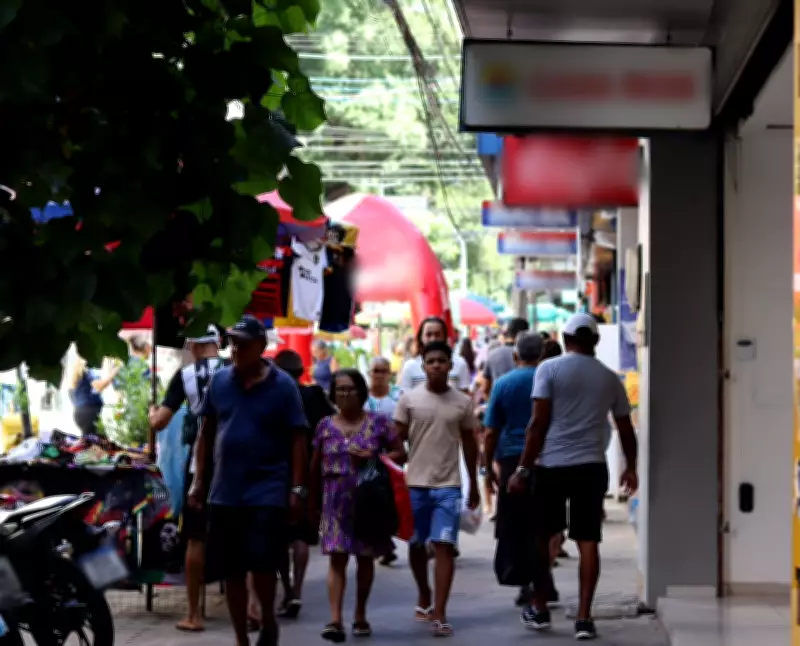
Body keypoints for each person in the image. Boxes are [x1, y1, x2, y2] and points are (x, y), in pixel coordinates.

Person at [508, 313, 639, 641]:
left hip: (551, 466)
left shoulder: (548, 369)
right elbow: (625, 429)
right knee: (588, 541)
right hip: (591, 467)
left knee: (542, 536)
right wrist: (631, 468)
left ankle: (539, 606)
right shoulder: (610, 379)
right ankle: (584, 617)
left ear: (565, 339)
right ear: (594, 341)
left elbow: (537, 425)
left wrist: (522, 469)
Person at [188, 315, 309, 646]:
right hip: (225, 490)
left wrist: (298, 489)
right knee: (232, 570)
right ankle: (242, 638)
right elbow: (206, 432)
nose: (236, 349)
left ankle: (267, 618)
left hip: (268, 489)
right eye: (233, 343)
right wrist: (198, 481)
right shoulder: (220, 382)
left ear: (261, 347)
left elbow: (298, 438)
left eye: (243, 344)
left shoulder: (283, 386)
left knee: (263, 563)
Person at [309, 369, 406, 643]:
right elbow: (314, 466)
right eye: (340, 390)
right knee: (337, 558)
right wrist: (310, 503)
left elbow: (401, 453)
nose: (345, 394)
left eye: (350, 389)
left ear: (362, 392)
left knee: (365, 557)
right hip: (334, 500)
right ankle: (335, 619)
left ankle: (361, 613)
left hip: (368, 501)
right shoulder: (325, 426)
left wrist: (375, 456)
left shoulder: (380, 423)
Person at [394, 341, 480, 638]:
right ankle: (423, 595)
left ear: (450, 365)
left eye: (441, 361)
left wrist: (475, 485)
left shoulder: (463, 402)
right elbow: (396, 441)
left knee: (444, 547)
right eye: (430, 361)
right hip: (415, 484)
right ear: (423, 365)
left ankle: (440, 612)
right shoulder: (409, 400)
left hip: (448, 486)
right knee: (417, 545)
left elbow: (471, 446)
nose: (436, 366)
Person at [148, 325, 224, 633]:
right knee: (240, 533)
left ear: (192, 344)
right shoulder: (237, 369)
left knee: (195, 537)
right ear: (219, 344)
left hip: (201, 465)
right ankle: (253, 609)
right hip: (238, 461)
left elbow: (161, 421)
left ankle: (194, 614)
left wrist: (152, 413)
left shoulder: (186, 376)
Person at [482, 332, 559, 608]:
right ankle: (544, 579)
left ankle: (528, 583)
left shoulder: (503, 384)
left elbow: (491, 432)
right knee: (545, 524)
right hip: (547, 459)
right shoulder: (551, 381)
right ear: (542, 355)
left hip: (512, 461)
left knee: (518, 525)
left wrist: (486, 467)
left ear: (515, 357)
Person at [273, 349, 335, 620]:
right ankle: (297, 590)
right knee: (301, 535)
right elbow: (332, 423)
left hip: (276, 472)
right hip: (309, 473)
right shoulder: (314, 396)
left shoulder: (273, 396)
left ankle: (287, 589)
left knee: (278, 538)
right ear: (301, 373)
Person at [364, 357, 401, 566]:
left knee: (390, 500)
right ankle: (384, 544)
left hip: (393, 457)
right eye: (375, 371)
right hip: (367, 458)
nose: (379, 375)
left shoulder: (398, 397)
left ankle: (385, 543)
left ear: (389, 374)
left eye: (383, 371)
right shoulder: (361, 397)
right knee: (375, 500)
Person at [398, 317, 471, 394]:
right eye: (428, 335)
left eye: (437, 334)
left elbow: (465, 397)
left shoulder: (460, 363)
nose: (433, 339)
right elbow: (404, 398)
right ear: (421, 337)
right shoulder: (410, 365)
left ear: (444, 337)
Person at [68, 357, 118, 435]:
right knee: (97, 442)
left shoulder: (75, 375)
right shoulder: (87, 372)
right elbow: (99, 386)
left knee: (89, 441)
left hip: (80, 413)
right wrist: (113, 373)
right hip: (90, 415)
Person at [482, 318, 530, 396]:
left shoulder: (492, 354)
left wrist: (494, 404)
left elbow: (485, 389)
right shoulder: (530, 355)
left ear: (508, 332)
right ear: (525, 334)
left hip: (499, 402)